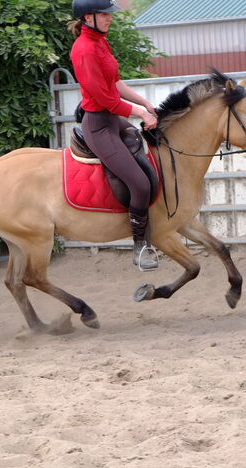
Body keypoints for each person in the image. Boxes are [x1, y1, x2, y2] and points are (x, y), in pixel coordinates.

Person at [69, 0, 159, 271]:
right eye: (105, 14)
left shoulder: (100, 42)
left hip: (113, 120)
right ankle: (139, 247)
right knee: (140, 185)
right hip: (98, 125)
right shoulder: (83, 50)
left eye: (109, 14)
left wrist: (144, 103)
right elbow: (106, 99)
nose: (110, 18)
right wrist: (141, 114)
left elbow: (116, 83)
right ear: (88, 17)